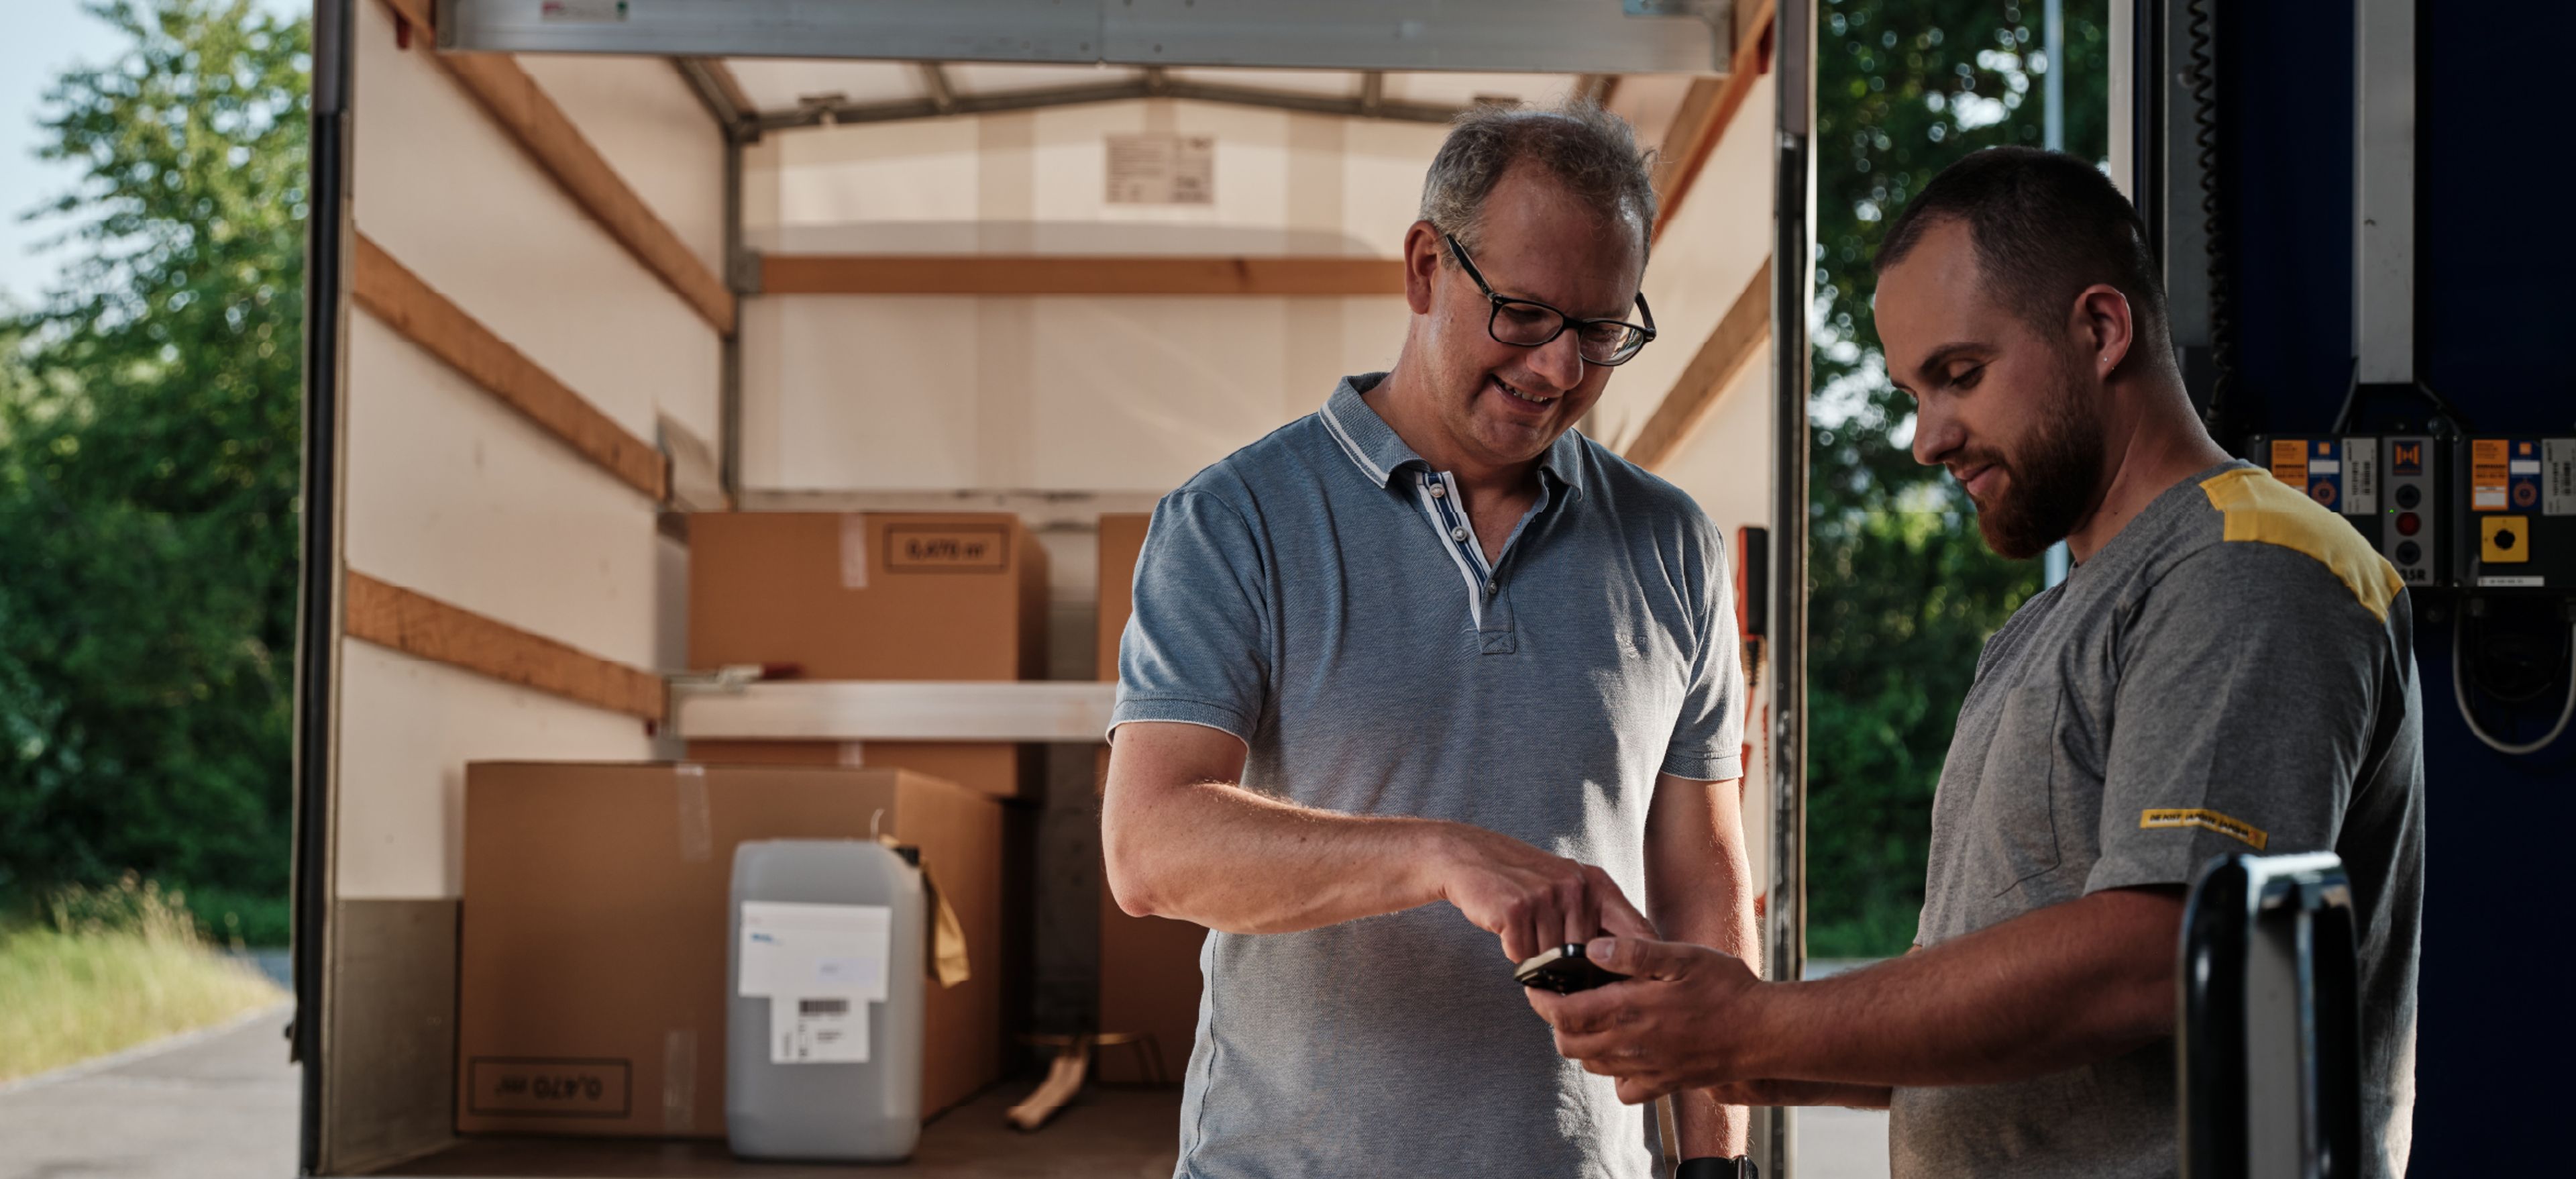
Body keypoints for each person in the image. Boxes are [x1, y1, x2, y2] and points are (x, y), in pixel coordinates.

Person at [1527, 146, 2423, 1179]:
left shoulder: (2249, 568)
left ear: (2101, 328)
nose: (1925, 438)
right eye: (1913, 390)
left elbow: (2154, 957)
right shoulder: (2043, 631)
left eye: (1959, 375)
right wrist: (1725, 1041)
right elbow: (1966, 1032)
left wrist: (1758, 1027)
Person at [1101, 101, 1760, 1179]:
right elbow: (1149, 846)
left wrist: (1716, 1161)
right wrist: (1441, 854)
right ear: (1424, 268)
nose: (1558, 370)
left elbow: (1700, 879)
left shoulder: (1671, 543)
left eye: (1600, 333)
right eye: (1524, 314)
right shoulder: (1236, 521)